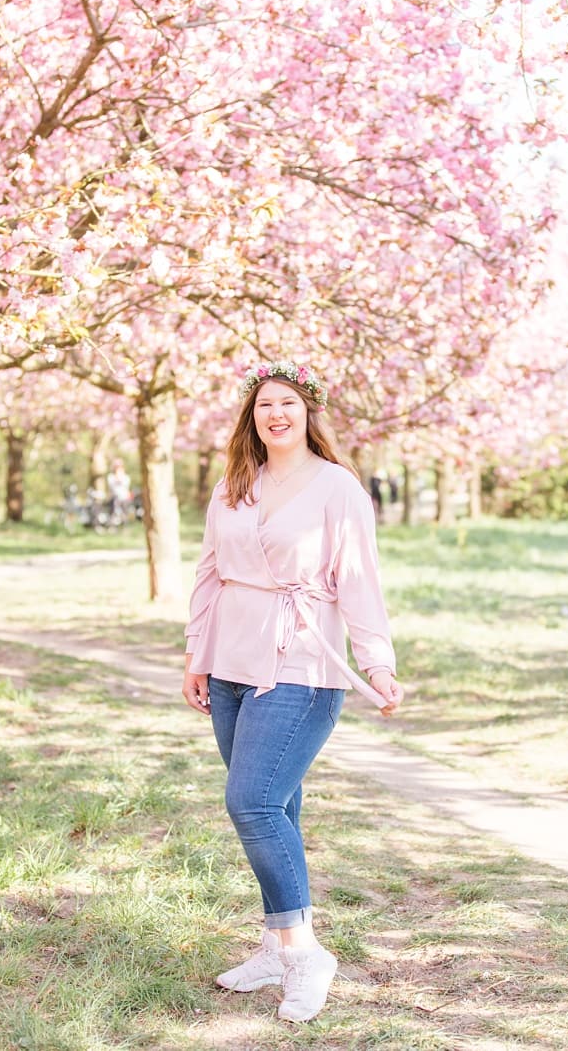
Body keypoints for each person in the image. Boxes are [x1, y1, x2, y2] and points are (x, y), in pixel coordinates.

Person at [181, 359, 405, 1024]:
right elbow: (209, 572)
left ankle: (307, 955)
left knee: (250, 802)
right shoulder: (234, 486)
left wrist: (379, 664)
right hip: (229, 660)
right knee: (276, 811)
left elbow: (360, 581)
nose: (275, 415)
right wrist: (196, 655)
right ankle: (276, 946)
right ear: (251, 418)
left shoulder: (337, 489)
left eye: (287, 404)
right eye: (263, 406)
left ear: (308, 413)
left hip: (303, 662)